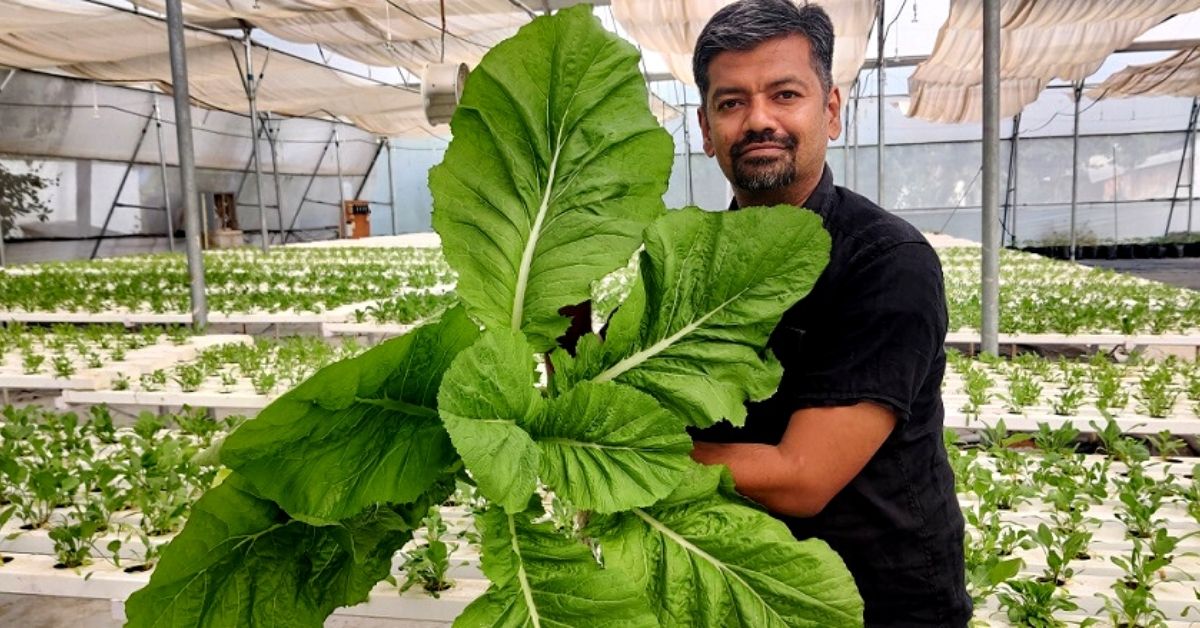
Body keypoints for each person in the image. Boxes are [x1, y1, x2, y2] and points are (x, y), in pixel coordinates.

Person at [684, 1, 972, 626]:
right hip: (742, 581)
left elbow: (801, 477)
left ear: (831, 111)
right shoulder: (693, 263)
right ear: (706, 132)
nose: (759, 119)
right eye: (731, 103)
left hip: (883, 598)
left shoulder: (887, 261)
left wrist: (613, 454)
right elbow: (614, 389)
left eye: (785, 94)